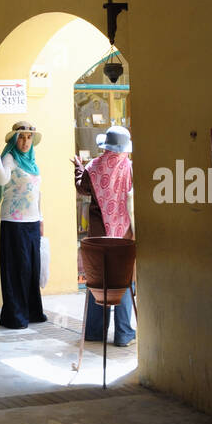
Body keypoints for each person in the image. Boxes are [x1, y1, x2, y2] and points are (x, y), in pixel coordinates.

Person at [74, 125, 136, 346]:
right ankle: (124, 334)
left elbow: (82, 188)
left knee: (97, 281)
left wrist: (79, 169)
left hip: (99, 237)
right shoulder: (130, 168)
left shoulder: (94, 167)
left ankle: (94, 331)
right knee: (124, 281)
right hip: (124, 237)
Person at [0, 121, 48, 329]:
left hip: (32, 222)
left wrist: (41, 219)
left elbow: (37, 193)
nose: (26, 141)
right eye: (21, 137)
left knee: (31, 270)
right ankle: (15, 316)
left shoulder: (33, 161)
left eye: (29, 137)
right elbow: (2, 180)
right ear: (14, 139)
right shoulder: (9, 158)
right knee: (17, 270)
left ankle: (32, 311)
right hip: (14, 222)